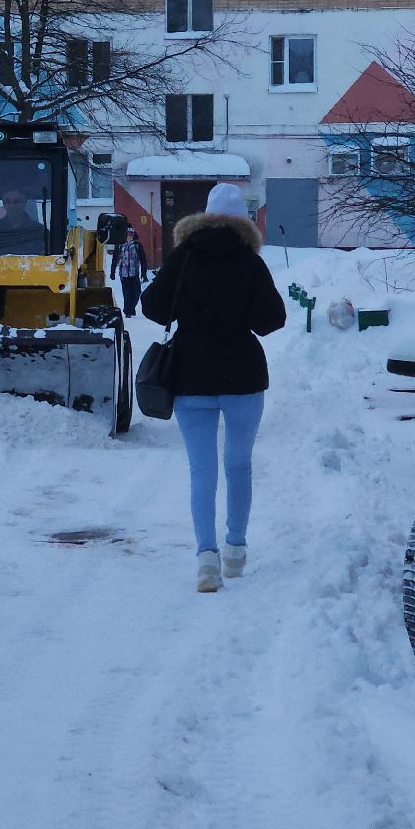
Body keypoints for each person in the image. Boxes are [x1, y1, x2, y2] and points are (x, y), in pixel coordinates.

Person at [140, 183, 287, 593]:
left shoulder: (183, 257)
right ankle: (236, 549)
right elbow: (272, 320)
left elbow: (151, 306)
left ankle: (207, 559)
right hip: (243, 378)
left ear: (204, 216)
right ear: (244, 221)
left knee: (201, 471)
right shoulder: (250, 262)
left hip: (190, 376)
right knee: (239, 465)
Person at [113, 232, 148, 316]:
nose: (129, 237)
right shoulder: (120, 245)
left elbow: (143, 259)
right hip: (124, 274)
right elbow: (115, 258)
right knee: (127, 294)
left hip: (134, 273)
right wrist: (112, 271)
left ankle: (131, 308)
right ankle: (128, 311)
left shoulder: (137, 245)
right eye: (127, 235)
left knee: (137, 292)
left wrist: (144, 273)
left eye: (131, 235)